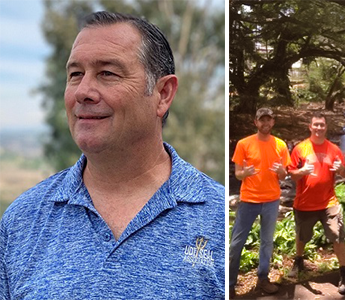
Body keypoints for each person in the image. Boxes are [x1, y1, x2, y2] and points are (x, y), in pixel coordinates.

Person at [0, 11, 225, 299]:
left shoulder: (217, 217)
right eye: (75, 74)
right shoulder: (23, 220)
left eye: (107, 73)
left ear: (164, 94)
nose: (83, 92)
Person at [229, 108, 291, 297]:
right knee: (236, 244)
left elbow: (283, 175)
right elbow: (238, 173)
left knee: (266, 243)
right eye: (261, 120)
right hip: (249, 200)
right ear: (255, 122)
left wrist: (281, 170)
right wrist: (244, 174)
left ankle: (263, 280)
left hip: (272, 201)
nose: (265, 123)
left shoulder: (280, 145)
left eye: (268, 120)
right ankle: (229, 285)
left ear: (273, 122)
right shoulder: (244, 144)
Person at [288, 112, 345, 295]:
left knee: (337, 234)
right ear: (310, 127)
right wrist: (302, 171)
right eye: (315, 125)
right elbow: (291, 175)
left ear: (326, 127)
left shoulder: (334, 149)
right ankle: (299, 260)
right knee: (301, 236)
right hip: (304, 203)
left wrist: (341, 169)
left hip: (328, 202)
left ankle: (344, 272)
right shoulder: (300, 149)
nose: (319, 128)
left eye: (322, 125)